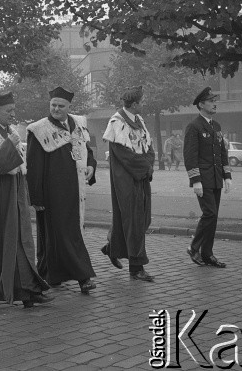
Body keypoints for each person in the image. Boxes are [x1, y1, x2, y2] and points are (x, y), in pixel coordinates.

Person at [0, 91, 51, 308]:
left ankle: (28, 288)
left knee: (22, 240)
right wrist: (9, 146)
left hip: (15, 193)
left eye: (14, 110)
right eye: (8, 111)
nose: (13, 114)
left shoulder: (10, 131)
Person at [26, 87, 97, 294]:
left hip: (76, 189)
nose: (56, 109)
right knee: (67, 234)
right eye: (53, 105)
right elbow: (34, 166)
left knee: (56, 234)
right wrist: (36, 196)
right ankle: (83, 277)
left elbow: (87, 151)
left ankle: (50, 275)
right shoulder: (39, 129)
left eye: (61, 106)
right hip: (53, 191)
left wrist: (91, 165)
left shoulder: (79, 124)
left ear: (69, 107)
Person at [101, 86, 156, 281]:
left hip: (140, 176)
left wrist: (148, 164)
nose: (144, 104)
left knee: (141, 218)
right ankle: (136, 268)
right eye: (142, 101)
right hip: (126, 179)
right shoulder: (117, 123)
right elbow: (125, 156)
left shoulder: (139, 120)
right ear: (134, 104)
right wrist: (145, 167)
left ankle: (112, 246)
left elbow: (148, 147)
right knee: (134, 221)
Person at [184, 87, 232, 268]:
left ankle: (207, 253)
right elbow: (190, 156)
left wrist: (227, 176)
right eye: (211, 101)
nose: (214, 103)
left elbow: (222, 152)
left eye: (215, 100)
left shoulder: (216, 126)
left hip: (216, 177)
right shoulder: (194, 126)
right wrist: (195, 180)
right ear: (201, 104)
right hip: (202, 179)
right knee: (209, 213)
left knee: (213, 216)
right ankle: (194, 247)